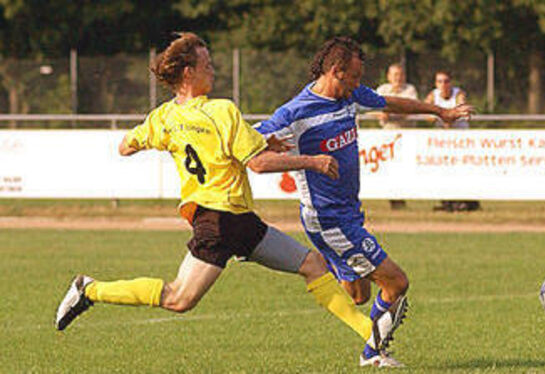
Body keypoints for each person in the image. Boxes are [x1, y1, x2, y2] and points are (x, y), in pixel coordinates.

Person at [54, 32, 397, 359]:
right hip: (217, 222)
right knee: (178, 298)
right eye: (207, 66)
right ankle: (89, 289)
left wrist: (174, 138)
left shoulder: (165, 117)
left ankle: (373, 339)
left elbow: (125, 146)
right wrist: (314, 161)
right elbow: (259, 165)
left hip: (240, 220)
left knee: (313, 264)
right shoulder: (222, 111)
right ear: (188, 73)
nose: (213, 70)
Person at [255, 37, 473, 368]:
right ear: (334, 70)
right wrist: (311, 161)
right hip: (328, 219)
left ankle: (318, 271)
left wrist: (439, 112)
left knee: (359, 296)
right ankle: (373, 355)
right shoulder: (294, 113)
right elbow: (256, 161)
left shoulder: (350, 93)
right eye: (354, 77)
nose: (359, 85)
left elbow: (389, 102)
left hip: (348, 216)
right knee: (396, 282)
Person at [425, 70, 481, 212]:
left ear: (451, 82)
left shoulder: (458, 93)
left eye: (446, 81)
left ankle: (467, 202)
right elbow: (426, 112)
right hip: (441, 141)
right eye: (439, 81)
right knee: (443, 171)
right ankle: (447, 202)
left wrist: (446, 116)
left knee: (462, 170)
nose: (443, 85)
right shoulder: (433, 95)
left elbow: (461, 107)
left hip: (459, 139)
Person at [375, 63, 418, 210]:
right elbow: (373, 109)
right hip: (387, 136)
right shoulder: (382, 89)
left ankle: (403, 196)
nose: (397, 78)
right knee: (389, 168)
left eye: (400, 75)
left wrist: (391, 112)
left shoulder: (409, 90)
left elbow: (410, 108)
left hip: (406, 135)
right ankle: (394, 198)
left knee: (405, 167)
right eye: (394, 75)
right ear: (388, 76)